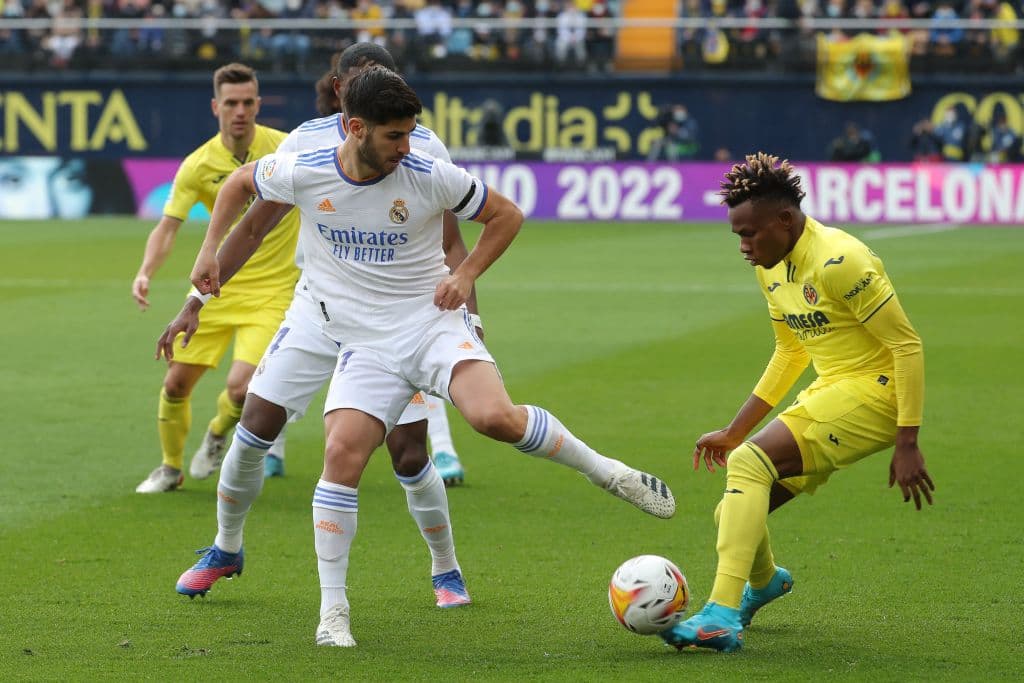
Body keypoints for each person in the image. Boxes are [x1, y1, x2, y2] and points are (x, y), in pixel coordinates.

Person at [160, 65, 676, 648]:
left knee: (492, 419)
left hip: (428, 324)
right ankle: (333, 616)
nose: (407, 147)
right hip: (358, 340)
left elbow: (505, 215)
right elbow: (238, 189)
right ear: (354, 127)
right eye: (394, 137)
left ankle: (608, 472)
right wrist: (205, 265)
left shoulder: (428, 172)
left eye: (410, 134)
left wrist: (466, 277)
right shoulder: (304, 164)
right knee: (340, 455)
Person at [170, 44, 479, 622]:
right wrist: (195, 300)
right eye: (360, 85)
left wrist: (470, 324)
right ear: (340, 90)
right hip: (319, 312)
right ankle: (226, 548)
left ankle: (445, 566)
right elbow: (255, 224)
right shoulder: (305, 143)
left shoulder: (419, 145)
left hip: (394, 320)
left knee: (409, 452)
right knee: (254, 421)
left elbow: (451, 244)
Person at [660, 152, 933, 653]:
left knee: (748, 466)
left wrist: (907, 439)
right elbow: (790, 350)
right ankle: (763, 583)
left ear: (785, 220)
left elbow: (906, 345)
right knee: (735, 511)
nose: (743, 246)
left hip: (878, 393)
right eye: (737, 235)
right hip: (833, 390)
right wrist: (735, 427)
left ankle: (720, 615)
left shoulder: (840, 259)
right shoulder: (772, 264)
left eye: (750, 234)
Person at [132, 63, 298, 493]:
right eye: (231, 103)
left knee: (243, 389)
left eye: (248, 102)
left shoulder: (284, 151)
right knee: (175, 383)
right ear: (215, 107)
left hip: (273, 292)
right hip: (215, 289)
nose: (240, 111)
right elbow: (168, 225)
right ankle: (170, 468)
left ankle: (219, 432)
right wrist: (146, 271)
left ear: (259, 105)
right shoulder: (198, 165)